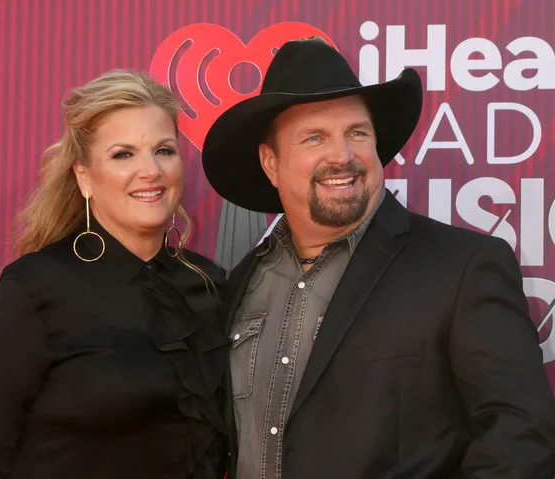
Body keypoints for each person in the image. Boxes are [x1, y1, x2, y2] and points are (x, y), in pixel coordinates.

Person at [201, 37, 555, 479]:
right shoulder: (242, 283)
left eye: (357, 133)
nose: (342, 156)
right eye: (315, 137)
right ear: (270, 163)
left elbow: (520, 439)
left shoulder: (462, 267)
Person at [0, 70, 228, 479]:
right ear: (84, 177)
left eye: (164, 150)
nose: (151, 170)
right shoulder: (31, 294)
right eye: (123, 154)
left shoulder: (209, 285)